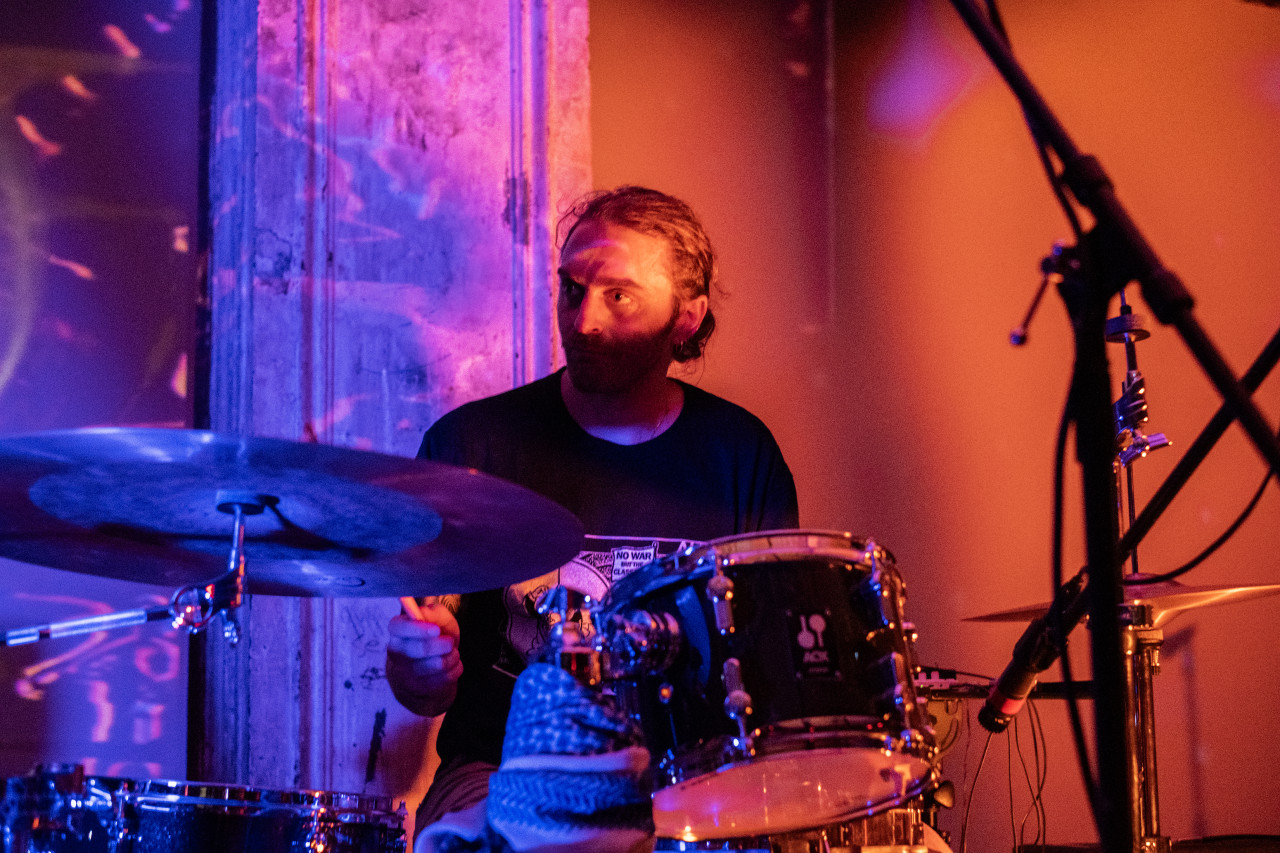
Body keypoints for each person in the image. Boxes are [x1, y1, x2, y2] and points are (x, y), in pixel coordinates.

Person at [386, 185, 799, 835]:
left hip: (688, 773)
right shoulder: (470, 446)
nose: (583, 321)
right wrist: (419, 663)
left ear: (686, 318)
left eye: (620, 296)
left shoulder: (741, 456)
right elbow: (422, 688)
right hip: (502, 768)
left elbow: (771, 673)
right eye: (572, 289)